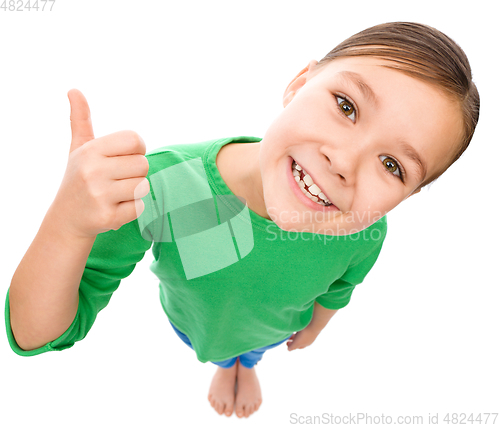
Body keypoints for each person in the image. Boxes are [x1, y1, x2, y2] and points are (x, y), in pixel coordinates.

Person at [5, 22, 480, 419]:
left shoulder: (367, 232)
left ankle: (243, 363)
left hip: (274, 332)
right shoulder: (165, 186)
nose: (343, 162)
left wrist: (315, 328)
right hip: (194, 324)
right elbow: (35, 335)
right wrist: (66, 224)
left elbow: (340, 286)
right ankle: (222, 360)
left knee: (250, 350)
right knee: (214, 345)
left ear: (407, 197)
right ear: (298, 84)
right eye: (346, 105)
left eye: (392, 166)